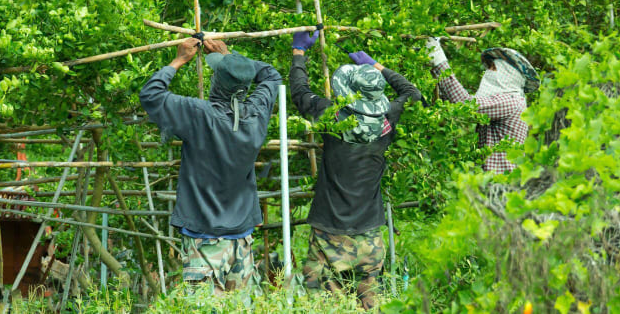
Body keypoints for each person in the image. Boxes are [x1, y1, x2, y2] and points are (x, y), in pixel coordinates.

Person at [289, 30, 422, 309]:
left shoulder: (330, 115)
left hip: (329, 233)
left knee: (325, 303)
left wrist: (299, 53)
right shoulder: (388, 117)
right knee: (370, 304)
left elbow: (300, 93)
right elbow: (411, 92)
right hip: (370, 234)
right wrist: (376, 66)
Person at [139, 37, 281, 294]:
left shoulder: (199, 114)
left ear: (217, 82)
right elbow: (271, 75)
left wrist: (179, 60)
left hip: (204, 238)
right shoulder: (257, 113)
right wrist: (231, 56)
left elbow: (151, 94)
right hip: (242, 237)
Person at [425, 38, 539, 173]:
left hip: (500, 185)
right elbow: (453, 101)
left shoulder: (512, 101)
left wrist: (438, 59)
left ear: (508, 74)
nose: (488, 72)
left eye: (493, 68)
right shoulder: (510, 99)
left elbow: (464, 104)